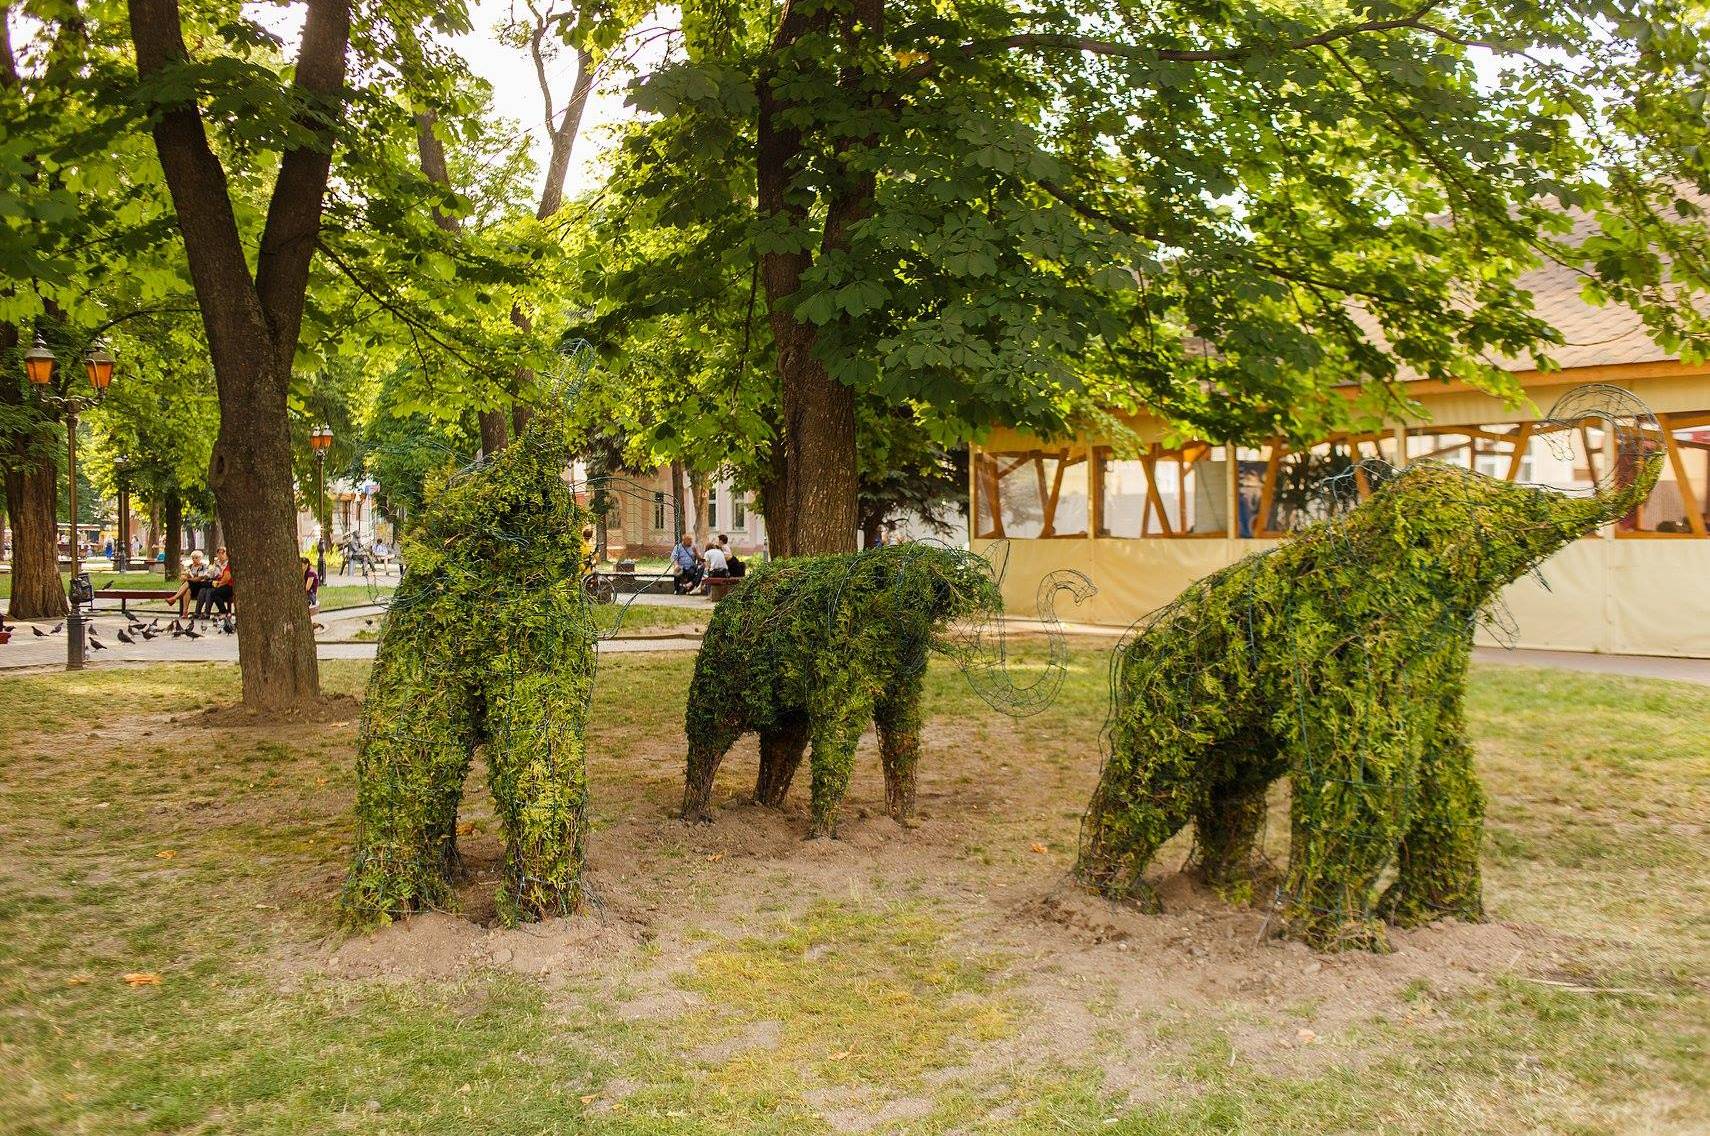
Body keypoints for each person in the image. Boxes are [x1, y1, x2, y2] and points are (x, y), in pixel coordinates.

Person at [194, 547, 233, 625]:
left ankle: (208, 613)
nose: (220, 555)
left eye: (223, 553)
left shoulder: (228, 564)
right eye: (219, 553)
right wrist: (209, 574)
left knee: (211, 591)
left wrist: (219, 584)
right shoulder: (216, 564)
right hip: (215, 582)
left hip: (224, 585)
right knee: (203, 589)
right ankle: (197, 612)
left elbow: (226, 578)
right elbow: (211, 574)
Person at [168, 550, 210, 618]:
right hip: (191, 587)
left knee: (188, 582)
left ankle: (174, 598)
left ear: (200, 558)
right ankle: (185, 612)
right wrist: (185, 576)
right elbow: (183, 576)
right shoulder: (190, 566)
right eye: (193, 558)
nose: (194, 559)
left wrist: (188, 579)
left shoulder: (203, 566)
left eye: (196, 558)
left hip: (200, 587)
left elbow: (199, 578)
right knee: (187, 591)